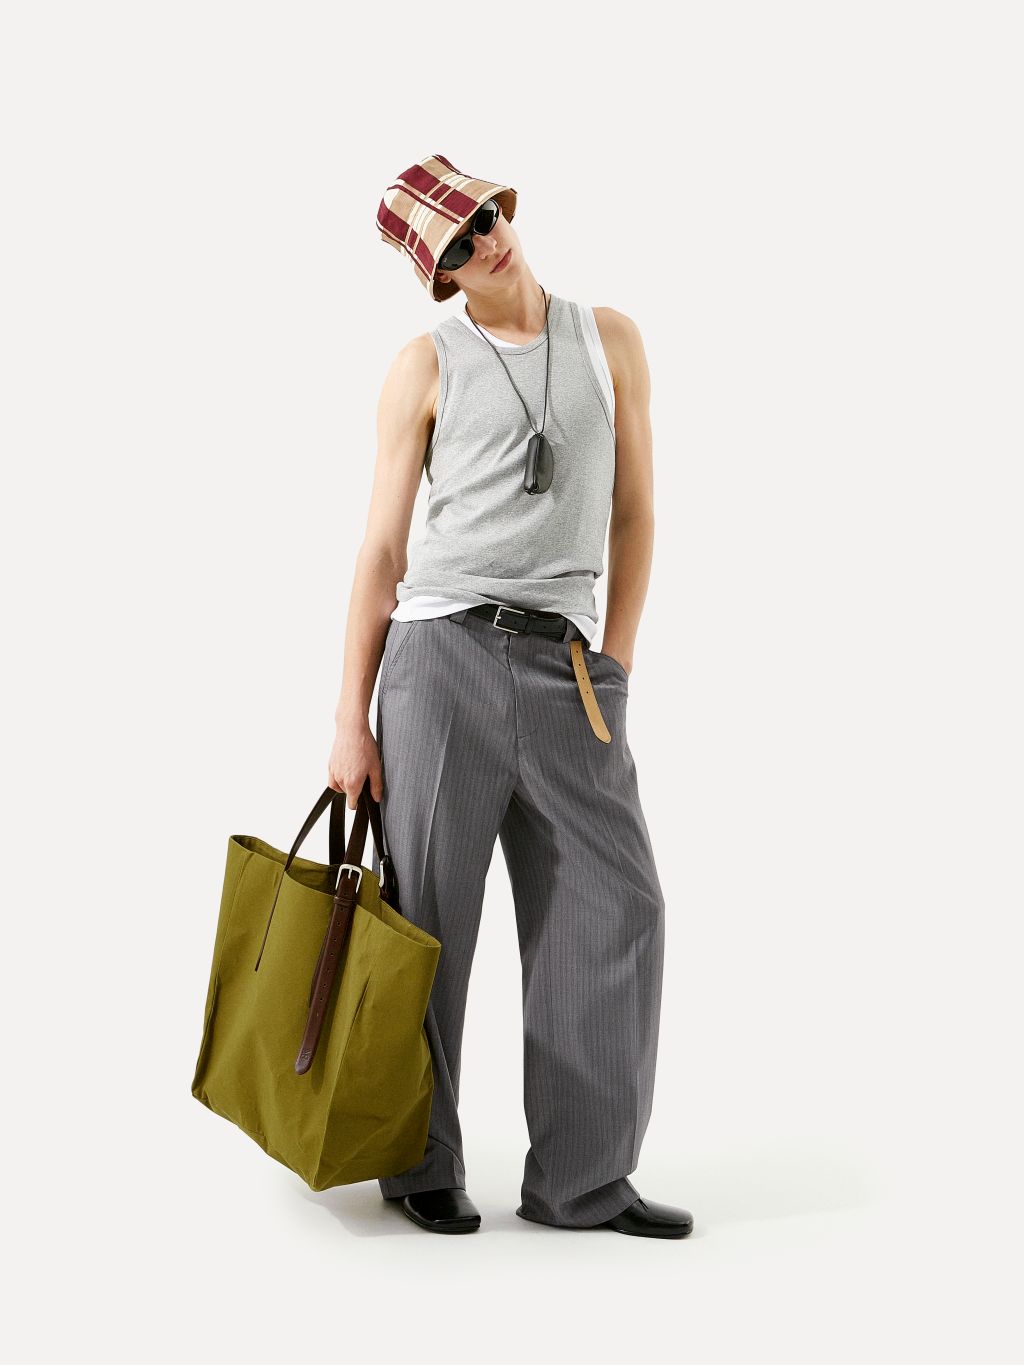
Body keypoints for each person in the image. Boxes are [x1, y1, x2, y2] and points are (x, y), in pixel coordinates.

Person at [327, 154, 693, 1239]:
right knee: (426, 920)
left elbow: (635, 512)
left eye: (485, 216)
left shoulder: (609, 339)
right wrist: (349, 718)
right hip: (440, 660)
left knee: (617, 905)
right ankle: (419, 1165)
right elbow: (382, 547)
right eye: (458, 241)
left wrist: (616, 664)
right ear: (438, 271)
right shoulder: (425, 364)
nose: (485, 240)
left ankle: (583, 1181)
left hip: (570, 670)